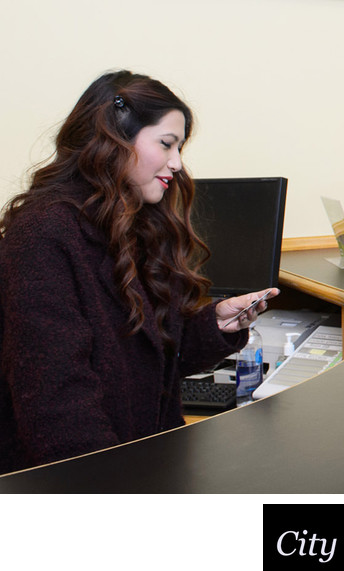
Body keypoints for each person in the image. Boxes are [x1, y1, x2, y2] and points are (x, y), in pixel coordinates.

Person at [0, 70, 278, 475]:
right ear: (113, 140)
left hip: (145, 466)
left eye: (179, 147)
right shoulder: (43, 233)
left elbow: (150, 362)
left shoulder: (131, 225)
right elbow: (57, 401)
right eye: (166, 144)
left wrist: (214, 326)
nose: (178, 163)